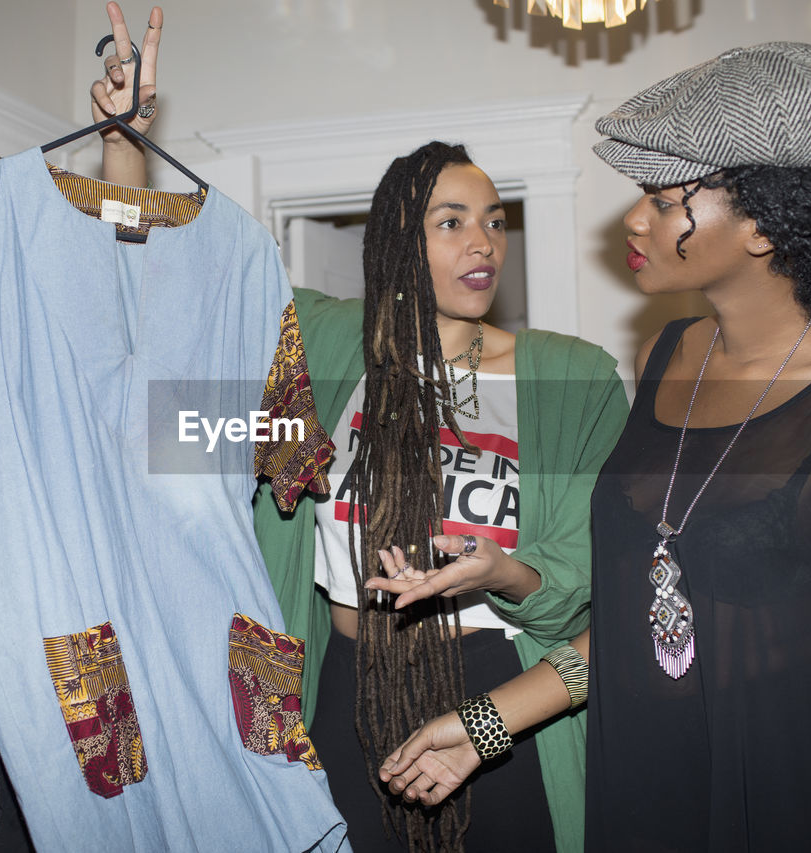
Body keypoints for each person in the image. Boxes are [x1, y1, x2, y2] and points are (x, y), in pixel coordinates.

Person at [372, 41, 811, 852]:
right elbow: (638, 623)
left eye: (662, 196)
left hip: (797, 808)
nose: (634, 217)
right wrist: (483, 725)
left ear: (763, 221)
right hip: (643, 797)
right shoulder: (667, 356)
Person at [91, 6, 628, 851]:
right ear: (396, 243)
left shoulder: (573, 378)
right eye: (451, 222)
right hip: (341, 684)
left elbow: (592, 580)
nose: (483, 242)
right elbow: (158, 285)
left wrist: (502, 570)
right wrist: (125, 143)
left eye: (494, 220)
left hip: (495, 683)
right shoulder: (325, 344)